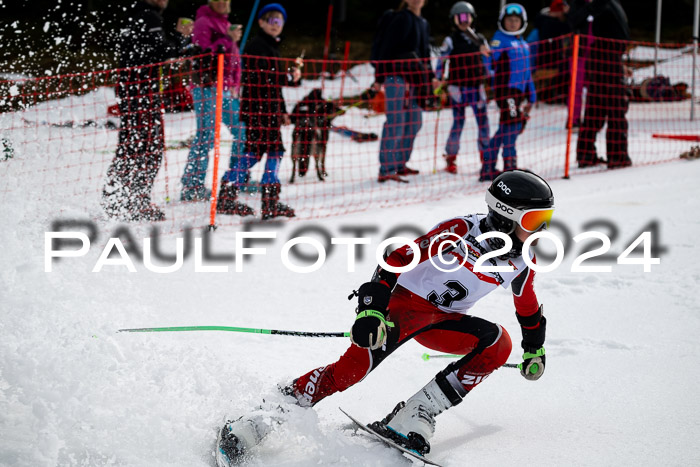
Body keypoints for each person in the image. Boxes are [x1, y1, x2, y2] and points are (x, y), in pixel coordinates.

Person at [215, 169, 555, 466]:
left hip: (442, 322)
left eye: (546, 222)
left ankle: (415, 414)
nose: (540, 231)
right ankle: (262, 416)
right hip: (400, 308)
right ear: (505, 217)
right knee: (350, 372)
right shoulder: (459, 232)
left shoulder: (522, 261)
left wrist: (534, 348)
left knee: (498, 345)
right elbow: (397, 258)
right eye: (534, 222)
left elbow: (527, 305)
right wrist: (371, 310)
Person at [101, 0, 191, 221]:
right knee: (148, 146)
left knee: (132, 144)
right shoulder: (149, 16)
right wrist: (181, 36)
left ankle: (116, 200)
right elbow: (161, 53)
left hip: (134, 90)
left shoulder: (136, 15)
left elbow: (150, 52)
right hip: (140, 92)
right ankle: (135, 201)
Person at [217, 3, 302, 219]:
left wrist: (282, 109)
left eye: (279, 21)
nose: (275, 25)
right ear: (261, 22)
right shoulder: (257, 45)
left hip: (268, 109)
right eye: (270, 20)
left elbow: (274, 85)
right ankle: (267, 201)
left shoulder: (272, 46)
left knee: (255, 152)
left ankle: (231, 194)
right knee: (271, 151)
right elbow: (264, 77)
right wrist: (289, 77)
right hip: (259, 109)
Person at [180, 0, 245, 205]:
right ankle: (192, 185)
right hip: (206, 85)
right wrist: (227, 39)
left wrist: (235, 82)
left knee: (242, 130)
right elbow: (204, 54)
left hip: (225, 89)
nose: (222, 2)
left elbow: (233, 58)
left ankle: (235, 180)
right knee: (206, 134)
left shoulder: (225, 25)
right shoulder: (203, 22)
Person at [372, 0, 438, 183]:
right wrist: (378, 78)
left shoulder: (424, 23)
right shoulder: (400, 19)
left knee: (415, 121)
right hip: (395, 76)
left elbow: (425, 53)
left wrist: (431, 76)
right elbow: (386, 47)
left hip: (415, 78)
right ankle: (386, 168)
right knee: (396, 121)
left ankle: (400, 163)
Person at [569, 0, 632, 169]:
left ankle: (586, 154)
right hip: (605, 59)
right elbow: (574, 21)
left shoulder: (607, 5)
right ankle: (616, 156)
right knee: (614, 111)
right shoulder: (596, 7)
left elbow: (622, 34)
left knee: (595, 109)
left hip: (604, 58)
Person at [480, 4, 536, 182]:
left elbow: (527, 72)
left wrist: (532, 95)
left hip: (518, 94)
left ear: (522, 22)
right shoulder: (499, 39)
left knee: (505, 129)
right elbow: (489, 62)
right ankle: (510, 169)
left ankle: (487, 167)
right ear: (503, 21)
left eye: (516, 20)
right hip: (505, 92)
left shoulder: (524, 44)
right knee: (512, 127)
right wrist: (485, 56)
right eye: (509, 20)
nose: (512, 23)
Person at [435, 2, 491, 174]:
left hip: (476, 85)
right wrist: (438, 78)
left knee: (483, 121)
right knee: (458, 121)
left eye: (467, 16)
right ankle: (451, 157)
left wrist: (491, 75)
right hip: (457, 87)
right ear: (454, 20)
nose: (464, 20)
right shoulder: (451, 39)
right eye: (460, 17)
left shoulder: (480, 39)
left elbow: (488, 61)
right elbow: (441, 59)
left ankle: (486, 156)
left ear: (472, 18)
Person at [527, 0, 571, 103]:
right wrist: (569, 15)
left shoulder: (542, 21)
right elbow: (570, 27)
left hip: (544, 61)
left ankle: (551, 94)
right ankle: (558, 95)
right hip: (548, 63)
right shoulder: (551, 24)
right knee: (568, 67)